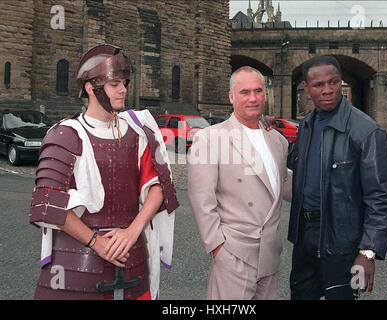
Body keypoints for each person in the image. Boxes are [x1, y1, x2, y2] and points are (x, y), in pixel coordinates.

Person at [29, 44, 178, 300]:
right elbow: (47, 204)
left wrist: (133, 231)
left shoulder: (137, 132)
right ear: (90, 87)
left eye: (124, 83)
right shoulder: (65, 134)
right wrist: (97, 243)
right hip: (75, 264)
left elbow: (159, 186)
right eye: (114, 84)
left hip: (133, 259)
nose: (123, 90)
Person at [287, 55, 387, 300]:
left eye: (334, 82)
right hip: (305, 238)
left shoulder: (367, 131)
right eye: (318, 85)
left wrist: (368, 252)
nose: (327, 90)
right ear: (306, 88)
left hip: (344, 242)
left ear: (341, 82)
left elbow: (382, 197)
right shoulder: (305, 126)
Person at [187, 66, 291, 300]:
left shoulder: (278, 140)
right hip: (234, 254)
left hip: (269, 254)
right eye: (245, 92)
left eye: (258, 91)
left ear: (265, 94)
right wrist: (218, 248)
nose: (253, 98)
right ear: (231, 96)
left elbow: (281, 184)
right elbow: (201, 198)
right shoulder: (210, 138)